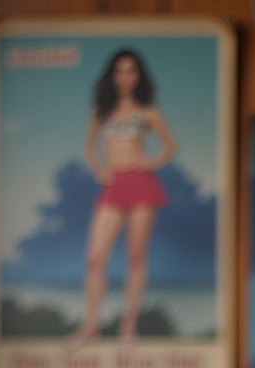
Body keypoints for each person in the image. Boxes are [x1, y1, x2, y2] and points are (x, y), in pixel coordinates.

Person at [70, 48, 177, 345]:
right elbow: (89, 145)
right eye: (119, 71)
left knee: (135, 256)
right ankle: (90, 326)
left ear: (138, 76)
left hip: (141, 184)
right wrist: (98, 170)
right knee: (95, 258)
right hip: (113, 184)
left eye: (131, 71)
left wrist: (151, 162)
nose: (125, 77)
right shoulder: (101, 114)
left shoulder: (148, 112)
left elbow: (170, 145)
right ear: (112, 75)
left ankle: (129, 325)